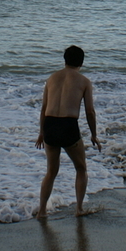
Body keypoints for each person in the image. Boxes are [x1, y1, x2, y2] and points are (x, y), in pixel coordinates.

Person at [35, 45, 101, 217]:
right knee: (80, 168)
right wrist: (94, 134)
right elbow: (89, 112)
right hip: (68, 126)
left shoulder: (51, 78)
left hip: (49, 125)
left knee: (51, 171)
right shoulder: (84, 81)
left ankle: (42, 211)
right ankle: (79, 209)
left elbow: (43, 108)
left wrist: (41, 133)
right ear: (82, 62)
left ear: (64, 60)